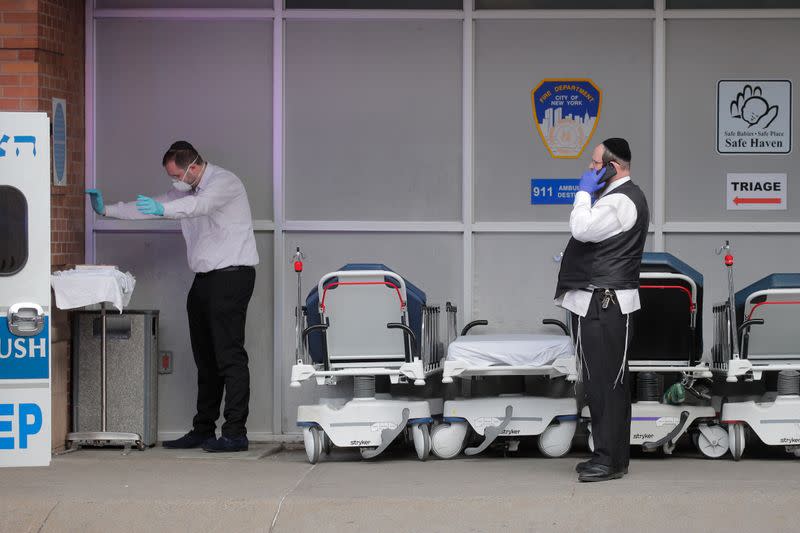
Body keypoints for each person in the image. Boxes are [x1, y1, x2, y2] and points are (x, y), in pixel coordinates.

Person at [86, 141, 259, 452]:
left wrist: (165, 209)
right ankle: (203, 429)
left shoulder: (224, 183)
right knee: (205, 359)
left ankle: (235, 432)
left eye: (177, 175)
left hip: (232, 277)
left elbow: (198, 207)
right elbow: (148, 205)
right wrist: (107, 210)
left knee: (229, 356)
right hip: (205, 280)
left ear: (193, 167)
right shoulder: (185, 191)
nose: (174, 182)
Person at [554, 138, 649, 482]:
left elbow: (581, 229)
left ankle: (607, 461)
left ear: (613, 167)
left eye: (596, 164)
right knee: (606, 383)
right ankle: (611, 457)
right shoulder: (616, 198)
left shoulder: (621, 200)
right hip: (600, 303)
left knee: (606, 384)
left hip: (605, 303)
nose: (590, 169)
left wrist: (582, 194)